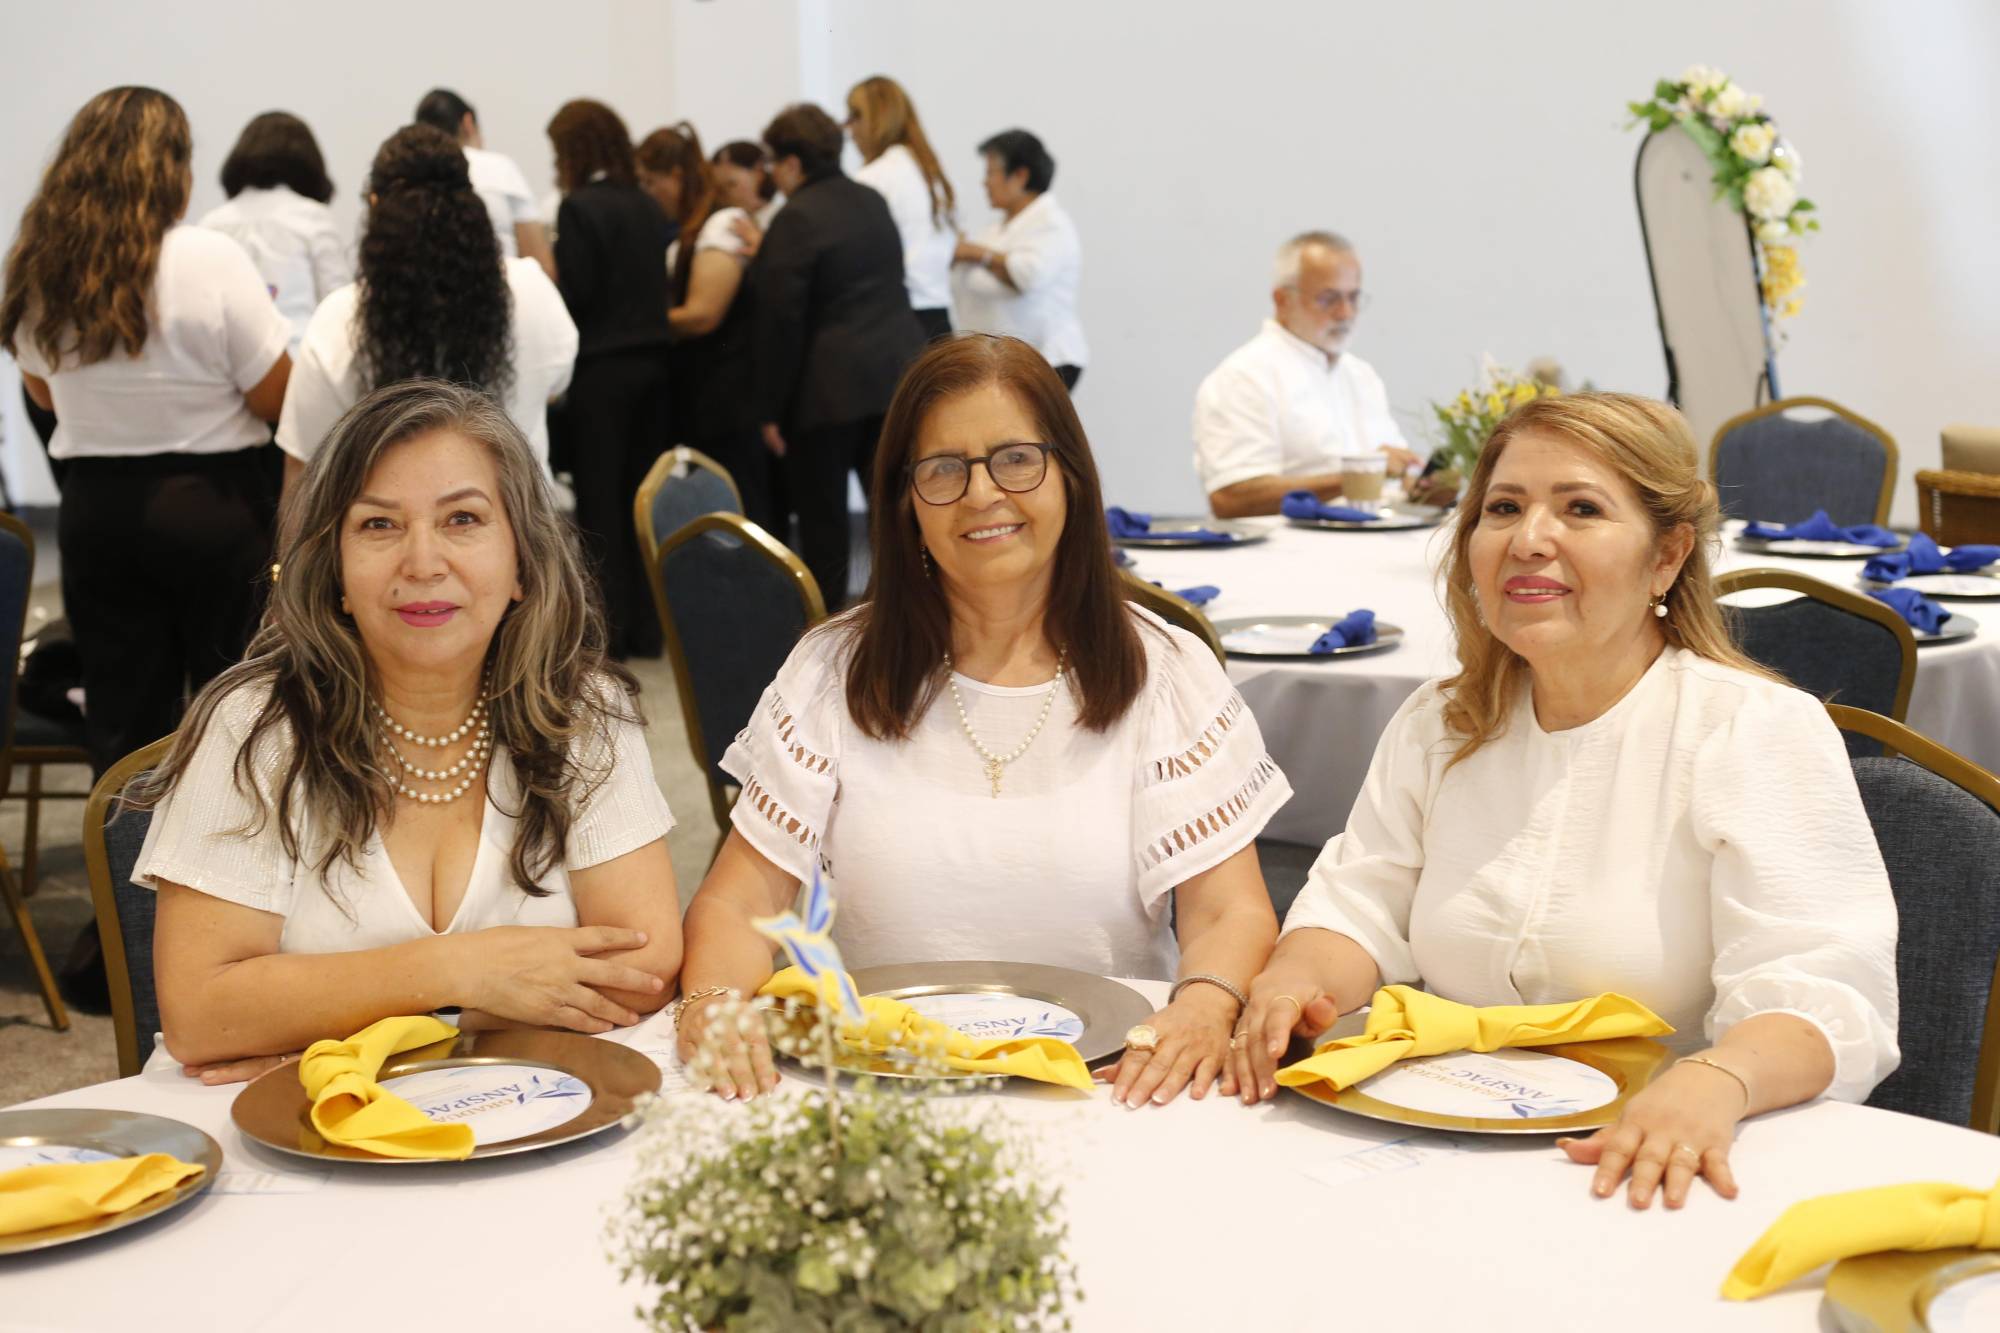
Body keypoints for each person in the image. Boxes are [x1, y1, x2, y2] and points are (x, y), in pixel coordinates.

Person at [1230, 393, 1899, 1211]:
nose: (1528, 539)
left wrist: (1719, 1078)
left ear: (1667, 556)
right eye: (1503, 508)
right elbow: (1361, 904)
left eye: (1580, 509)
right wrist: (1293, 980)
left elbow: (1826, 993)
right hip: (1438, 1149)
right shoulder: (1441, 724)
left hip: (1651, 1169)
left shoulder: (1752, 731)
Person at [678, 335, 1289, 1105]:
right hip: (877, 1089)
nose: (981, 494)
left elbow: (1229, 908)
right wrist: (714, 1005)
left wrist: (1204, 1002)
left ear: (1069, 474)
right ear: (905, 502)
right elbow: (738, 901)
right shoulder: (832, 669)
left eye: (1015, 459)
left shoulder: (1164, 670)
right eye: (942, 469)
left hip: (1112, 1087)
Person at [136, 379, 681, 1082]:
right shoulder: (257, 728)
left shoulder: (582, 712)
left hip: (524, 1110)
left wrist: (339, 1020)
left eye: (462, 520)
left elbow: (640, 970)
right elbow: (201, 1014)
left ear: (522, 562)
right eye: (378, 525)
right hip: (292, 1133)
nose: (423, 563)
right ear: (333, 567)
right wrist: (469, 975)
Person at [2, 87, 292, 774]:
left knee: (124, 728)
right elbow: (279, 395)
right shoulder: (209, 258)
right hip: (215, 512)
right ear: (174, 169)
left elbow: (43, 392)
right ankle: (231, 871)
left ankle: (128, 876)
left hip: (98, 516)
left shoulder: (42, 266)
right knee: (237, 721)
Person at [276, 124, 577, 482]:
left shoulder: (339, 320)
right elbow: (555, 386)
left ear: (374, 205)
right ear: (470, 200)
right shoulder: (533, 289)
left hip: (388, 529)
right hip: (518, 525)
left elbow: (303, 466)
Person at [750, 103, 923, 608]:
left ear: (790, 163)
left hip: (826, 392)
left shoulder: (795, 217)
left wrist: (769, 409)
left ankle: (827, 641)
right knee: (895, 517)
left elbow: (780, 322)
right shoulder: (870, 200)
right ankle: (910, 623)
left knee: (824, 528)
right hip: (895, 375)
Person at [546, 98, 674, 660]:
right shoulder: (645, 204)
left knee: (601, 506)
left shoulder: (579, 208)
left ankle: (610, 634)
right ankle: (650, 630)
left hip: (603, 373)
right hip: (657, 370)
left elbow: (578, 295)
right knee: (644, 504)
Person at [1193, 231, 1434, 519]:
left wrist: (1422, 487)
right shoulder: (1244, 377)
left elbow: (1393, 471)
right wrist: (1360, 476)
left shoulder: (1361, 376)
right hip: (1286, 559)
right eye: (1328, 299)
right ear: (1282, 300)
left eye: (1353, 297)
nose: (1345, 313)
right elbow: (1231, 498)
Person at [636, 124, 771, 531]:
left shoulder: (722, 224)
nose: (647, 192)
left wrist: (634, 324)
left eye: (650, 181)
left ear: (676, 176)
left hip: (729, 397)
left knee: (740, 511)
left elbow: (703, 313)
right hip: (705, 396)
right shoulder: (692, 231)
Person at [199, 111, 350, 351]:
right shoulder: (314, 218)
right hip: (297, 365)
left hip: (224, 366)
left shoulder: (211, 223)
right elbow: (339, 309)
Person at [951, 129, 1086, 390]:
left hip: (1044, 359)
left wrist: (976, 253)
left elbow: (1028, 275)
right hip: (995, 363)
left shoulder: (1051, 224)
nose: (984, 183)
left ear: (1020, 176)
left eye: (991, 173)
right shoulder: (995, 229)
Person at [846, 76, 955, 340]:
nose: (850, 130)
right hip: (938, 319)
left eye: (854, 117)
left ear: (877, 118)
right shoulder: (933, 176)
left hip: (895, 320)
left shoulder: (873, 178)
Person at [414, 88, 557, 281]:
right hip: (502, 294)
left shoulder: (412, 178)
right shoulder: (500, 169)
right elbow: (541, 265)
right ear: (468, 122)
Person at [712, 140, 781, 228]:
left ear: (758, 171)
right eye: (719, 189)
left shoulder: (781, 218)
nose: (724, 196)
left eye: (731, 184)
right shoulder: (720, 222)